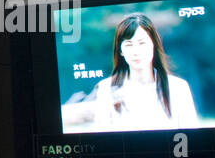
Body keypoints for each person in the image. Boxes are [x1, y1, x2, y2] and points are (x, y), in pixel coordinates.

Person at [64, 14, 200, 132]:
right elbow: (102, 139)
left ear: (153, 45)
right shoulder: (106, 89)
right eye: (129, 44)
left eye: (142, 43)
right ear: (120, 50)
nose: (136, 51)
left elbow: (192, 139)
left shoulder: (178, 88)